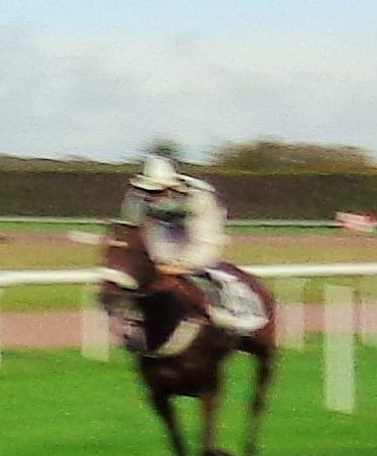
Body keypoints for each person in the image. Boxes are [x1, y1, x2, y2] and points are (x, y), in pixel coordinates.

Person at [114, 152, 266, 357]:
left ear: (172, 187)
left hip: (201, 234)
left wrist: (182, 265)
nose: (153, 197)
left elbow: (207, 242)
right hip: (165, 236)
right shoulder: (137, 198)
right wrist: (157, 262)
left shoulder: (200, 198)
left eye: (159, 191)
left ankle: (229, 322)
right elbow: (138, 234)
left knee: (201, 275)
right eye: (150, 192)